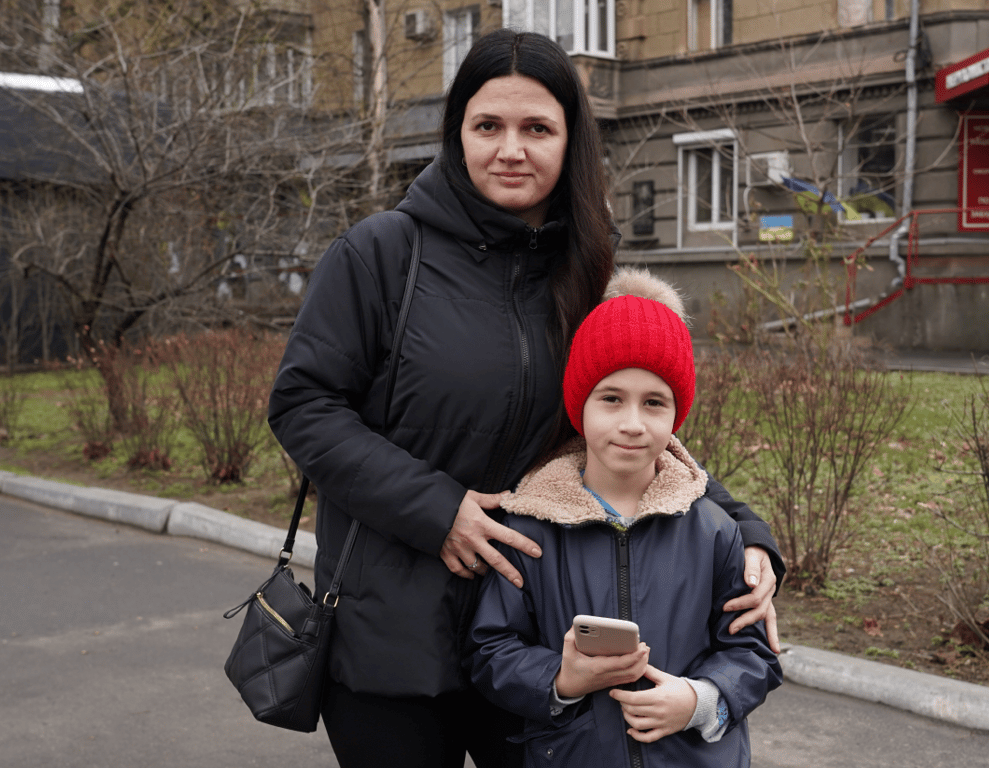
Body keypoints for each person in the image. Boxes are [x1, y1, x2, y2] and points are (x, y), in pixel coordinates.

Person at [268, 29, 783, 768]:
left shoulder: (586, 270)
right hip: (391, 639)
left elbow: (627, 423)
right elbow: (304, 404)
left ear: (571, 142)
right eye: (488, 126)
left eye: (537, 128)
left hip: (539, 645)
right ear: (457, 134)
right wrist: (438, 510)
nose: (511, 150)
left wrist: (746, 532)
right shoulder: (381, 254)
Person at [468, 269, 783, 768]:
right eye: (611, 398)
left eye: (654, 403)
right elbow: (490, 650)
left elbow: (753, 651)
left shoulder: (715, 531)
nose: (632, 423)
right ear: (580, 406)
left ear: (676, 416)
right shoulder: (528, 527)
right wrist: (560, 679)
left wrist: (700, 700)